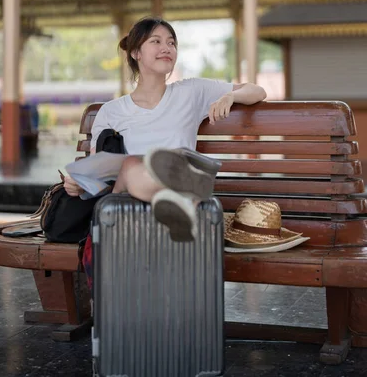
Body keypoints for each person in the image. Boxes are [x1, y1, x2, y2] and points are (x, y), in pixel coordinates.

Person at [64, 16, 266, 242]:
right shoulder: (111, 112)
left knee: (170, 162)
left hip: (176, 188)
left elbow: (257, 91)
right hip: (127, 208)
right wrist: (78, 185)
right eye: (156, 42)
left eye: (171, 43)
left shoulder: (192, 92)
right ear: (135, 53)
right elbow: (99, 176)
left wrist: (231, 95)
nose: (166, 48)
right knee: (132, 166)